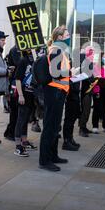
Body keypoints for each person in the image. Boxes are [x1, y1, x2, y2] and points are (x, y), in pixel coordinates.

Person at [39, 26, 75, 172]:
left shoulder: (59, 50)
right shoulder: (56, 50)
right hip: (54, 92)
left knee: (55, 126)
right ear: (60, 37)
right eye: (67, 34)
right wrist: (71, 71)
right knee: (50, 126)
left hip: (58, 91)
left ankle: (53, 155)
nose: (69, 36)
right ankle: (45, 160)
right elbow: (56, 72)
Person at [13, 50, 37, 157]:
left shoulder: (35, 61)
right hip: (24, 94)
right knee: (21, 119)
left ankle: (24, 141)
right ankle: (18, 146)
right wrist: (21, 95)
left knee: (26, 119)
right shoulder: (23, 61)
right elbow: (18, 79)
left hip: (31, 95)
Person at [4, 46, 22, 141]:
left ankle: (12, 132)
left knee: (18, 111)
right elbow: (19, 64)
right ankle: (11, 132)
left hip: (18, 83)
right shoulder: (15, 50)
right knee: (15, 110)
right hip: (15, 83)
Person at [78, 46, 96, 137]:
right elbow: (86, 74)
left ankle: (84, 126)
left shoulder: (90, 62)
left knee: (88, 110)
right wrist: (92, 80)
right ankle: (81, 128)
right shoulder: (86, 62)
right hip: (85, 90)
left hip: (89, 89)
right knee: (85, 110)